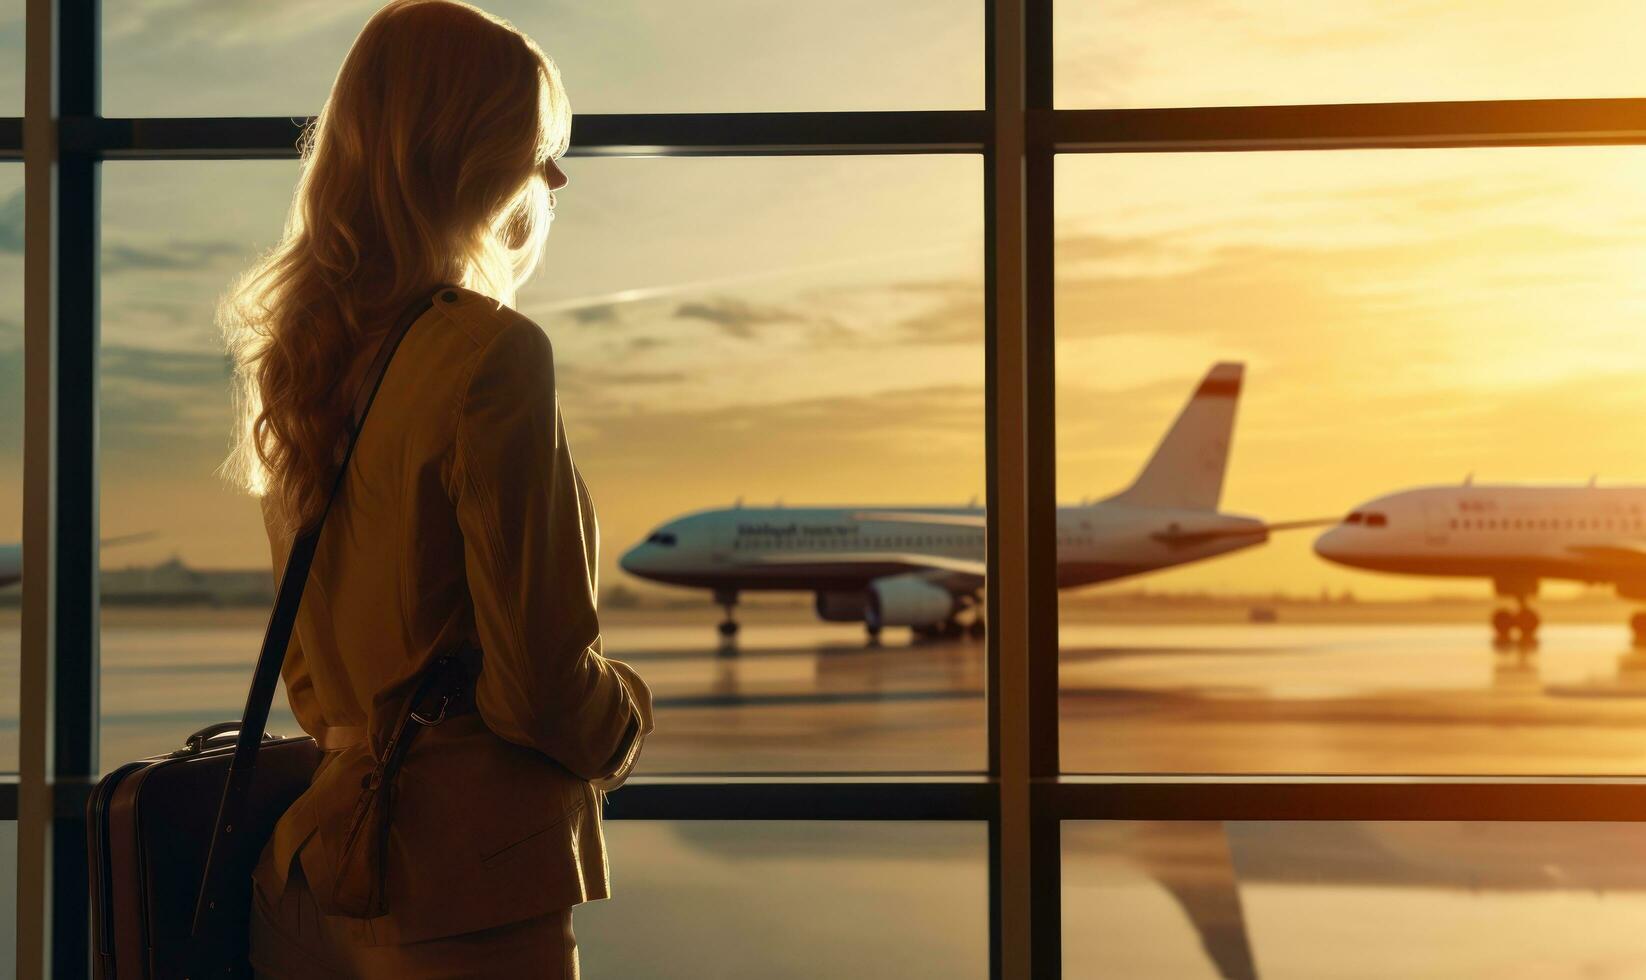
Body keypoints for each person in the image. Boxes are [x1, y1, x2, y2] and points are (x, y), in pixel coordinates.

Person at [218, 2, 653, 976]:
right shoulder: (490, 356)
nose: (555, 177)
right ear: (469, 153)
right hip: (465, 892)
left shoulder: (298, 364)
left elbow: (311, 685)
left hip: (309, 877)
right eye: (537, 146)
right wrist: (626, 714)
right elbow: (538, 687)